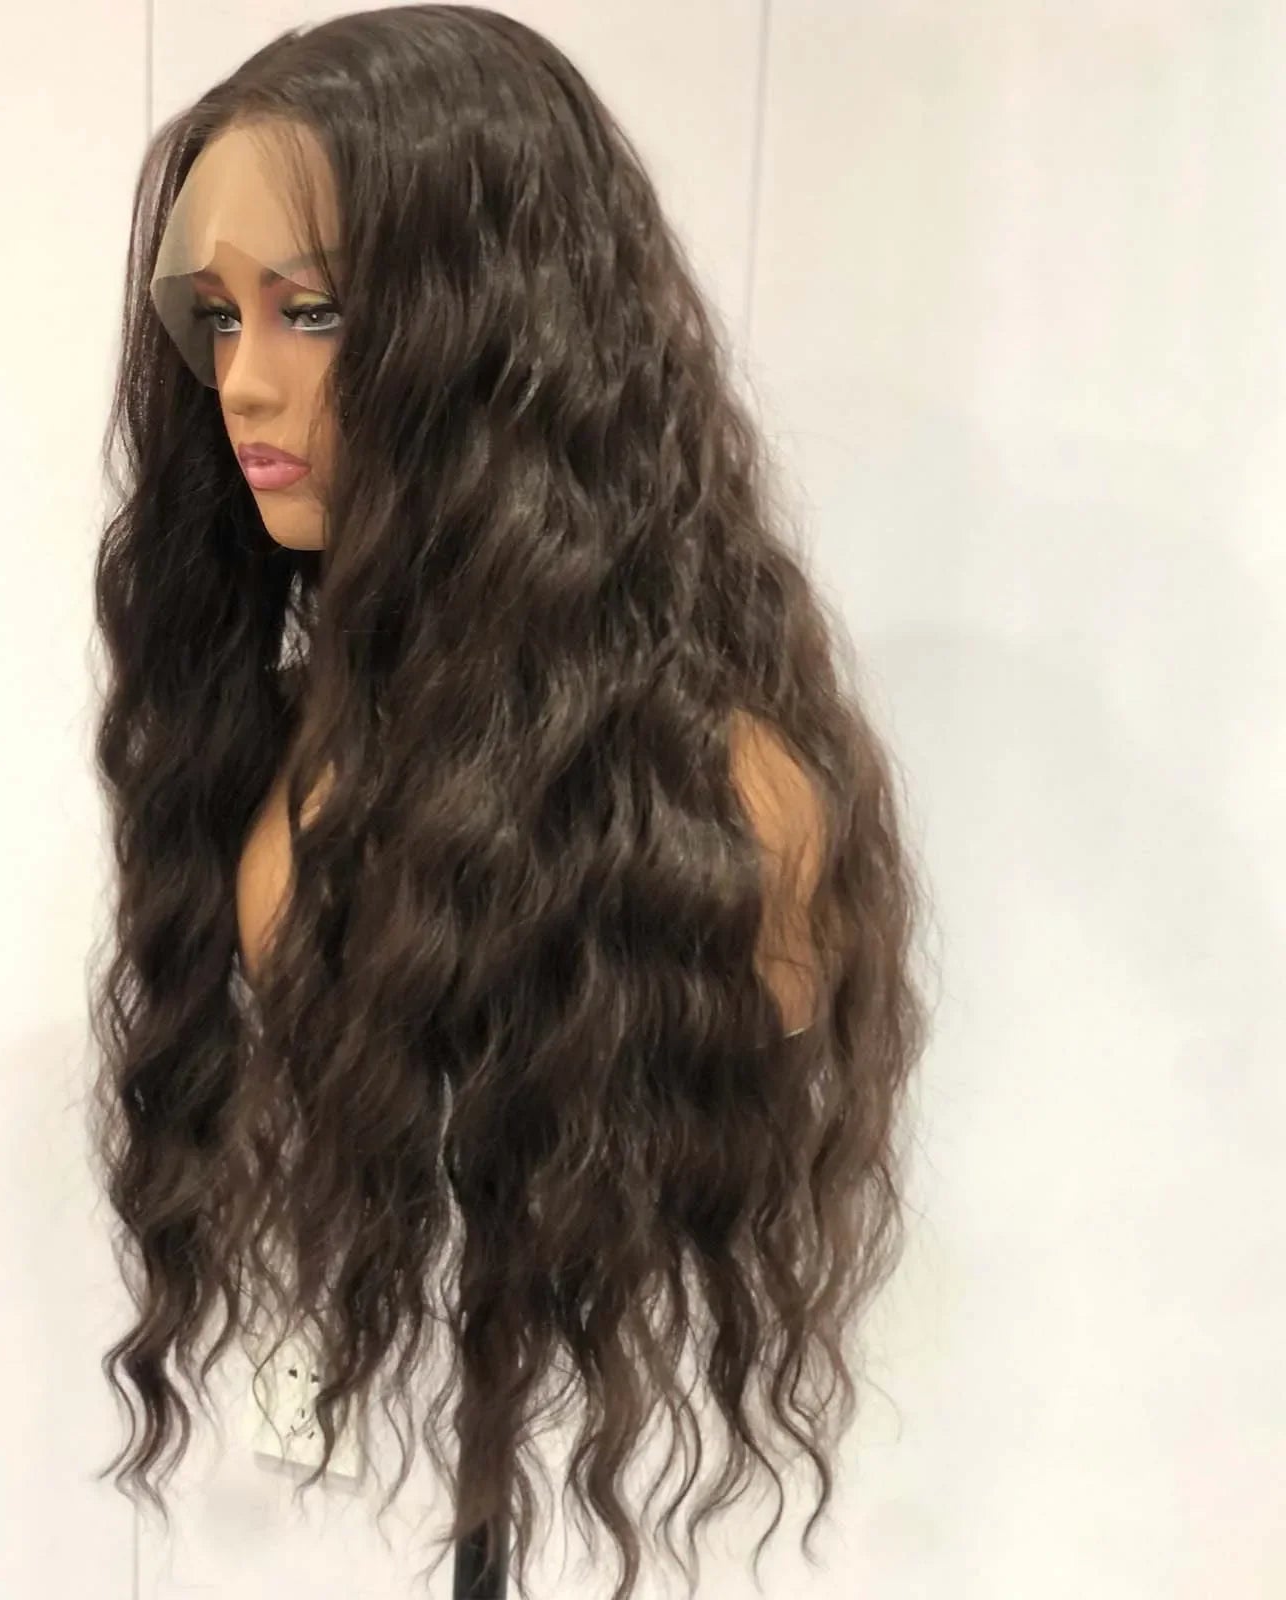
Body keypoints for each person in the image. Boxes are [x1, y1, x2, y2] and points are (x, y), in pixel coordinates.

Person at [87, 10, 932, 1600]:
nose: (244, 384)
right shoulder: (283, 775)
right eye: (219, 320)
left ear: (494, 329)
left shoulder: (740, 816)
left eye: (314, 311)